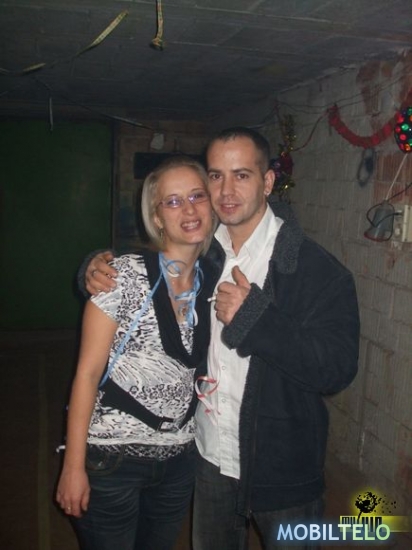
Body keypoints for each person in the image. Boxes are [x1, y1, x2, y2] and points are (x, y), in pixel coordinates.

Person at [83, 128, 360, 550]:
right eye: (215, 176)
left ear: (268, 181)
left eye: (242, 175)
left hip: (282, 467)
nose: (226, 191)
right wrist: (92, 269)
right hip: (210, 458)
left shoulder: (316, 270)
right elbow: (148, 269)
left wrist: (257, 321)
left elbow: (336, 370)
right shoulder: (205, 252)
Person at [55, 155, 217, 550]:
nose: (189, 209)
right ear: (156, 217)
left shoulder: (216, 280)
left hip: (179, 459)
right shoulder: (122, 276)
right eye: (173, 201)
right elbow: (87, 375)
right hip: (112, 460)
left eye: (197, 196)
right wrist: (72, 466)